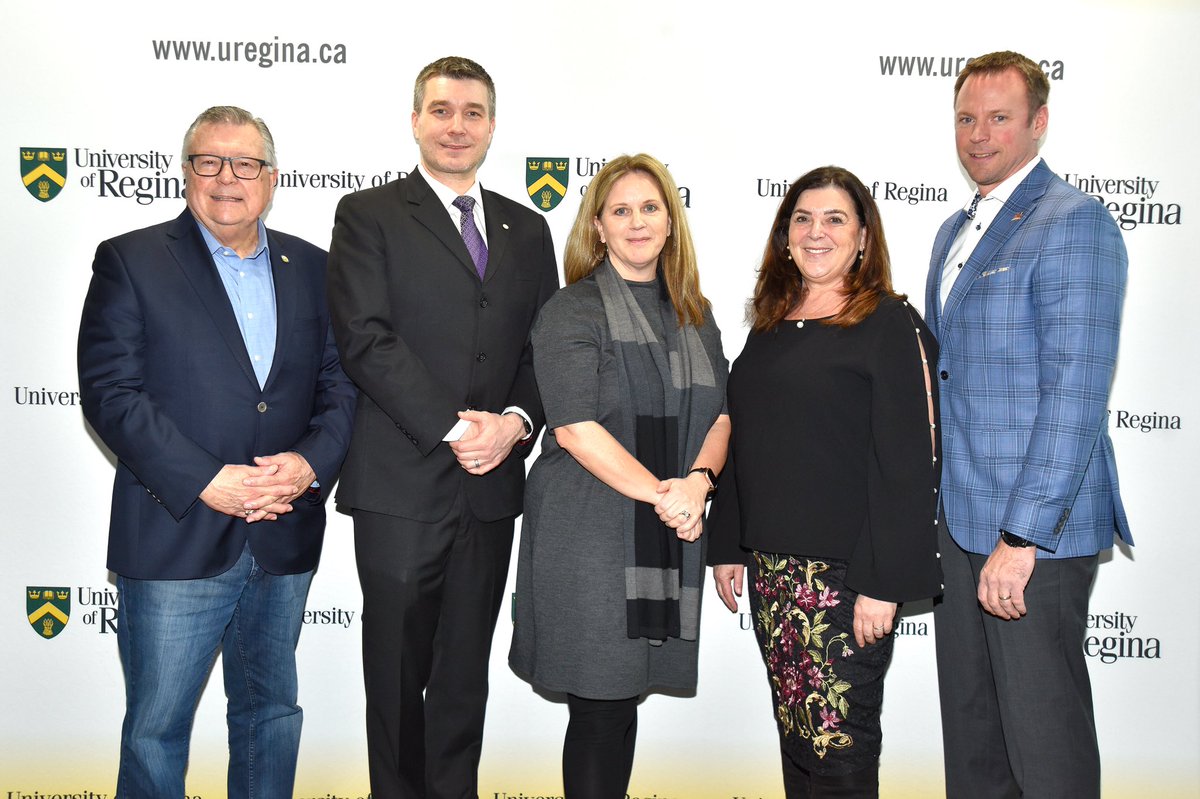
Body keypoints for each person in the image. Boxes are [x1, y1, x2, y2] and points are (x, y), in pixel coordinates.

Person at [77, 105, 356, 797]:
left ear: (272, 178)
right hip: (175, 532)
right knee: (156, 730)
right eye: (210, 161)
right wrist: (206, 479)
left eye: (246, 164)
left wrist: (309, 465)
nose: (227, 177)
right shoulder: (132, 260)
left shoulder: (314, 268)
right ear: (186, 171)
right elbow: (111, 392)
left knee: (271, 717)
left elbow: (341, 387)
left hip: (283, 531)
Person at [326, 56, 559, 798]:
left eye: (472, 112)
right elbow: (365, 339)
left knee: (463, 682)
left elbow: (542, 348)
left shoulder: (529, 229)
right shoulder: (368, 214)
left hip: (489, 495)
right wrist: (460, 431)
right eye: (441, 110)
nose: (457, 126)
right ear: (415, 120)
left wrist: (515, 423)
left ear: (492, 126)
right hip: (401, 488)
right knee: (396, 681)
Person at [925, 50, 1130, 799]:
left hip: (1031, 539)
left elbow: (1076, 392)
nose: (979, 134)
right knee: (974, 745)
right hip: (959, 526)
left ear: (1039, 123)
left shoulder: (1075, 222)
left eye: (999, 118)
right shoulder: (952, 231)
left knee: (1046, 750)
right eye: (966, 118)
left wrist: (1021, 539)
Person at [708, 166, 941, 798]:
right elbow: (747, 435)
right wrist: (728, 544)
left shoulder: (889, 322)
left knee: (840, 754)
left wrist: (883, 583)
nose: (817, 233)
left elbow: (909, 461)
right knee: (799, 743)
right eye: (803, 219)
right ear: (785, 236)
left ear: (863, 237)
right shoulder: (770, 323)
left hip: (846, 582)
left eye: (835, 219)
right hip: (774, 576)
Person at [509, 154, 730, 799]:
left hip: (665, 522)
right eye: (621, 210)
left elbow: (721, 414)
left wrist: (698, 484)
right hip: (590, 530)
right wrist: (669, 496)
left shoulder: (695, 312)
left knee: (622, 700)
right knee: (600, 709)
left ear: (671, 221)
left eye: (650, 208)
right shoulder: (572, 310)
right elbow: (575, 428)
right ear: (598, 227)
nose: (637, 222)